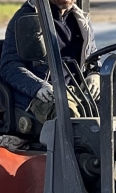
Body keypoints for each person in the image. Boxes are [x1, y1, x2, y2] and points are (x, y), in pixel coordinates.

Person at [0, 0, 100, 128]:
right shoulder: (26, 18)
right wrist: (37, 86)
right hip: (41, 95)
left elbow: (93, 58)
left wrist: (94, 74)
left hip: (77, 90)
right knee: (70, 116)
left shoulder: (81, 20)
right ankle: (68, 147)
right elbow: (9, 66)